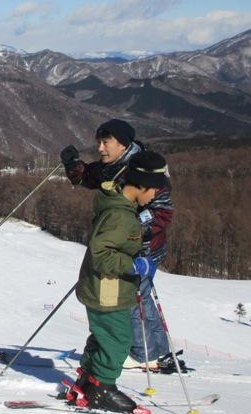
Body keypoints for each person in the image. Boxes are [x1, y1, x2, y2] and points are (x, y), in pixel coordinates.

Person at [60, 119, 176, 371]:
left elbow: (163, 213)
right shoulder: (110, 165)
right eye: (98, 142)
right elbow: (87, 176)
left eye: (106, 142)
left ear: (123, 144)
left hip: (141, 249)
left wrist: (129, 230)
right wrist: (72, 165)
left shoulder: (146, 168)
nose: (100, 148)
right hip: (126, 245)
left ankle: (142, 354)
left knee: (131, 299)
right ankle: (158, 351)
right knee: (142, 297)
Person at [64, 151, 169, 413]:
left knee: (103, 338)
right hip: (108, 290)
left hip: (104, 287)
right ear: (141, 185)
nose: (155, 196)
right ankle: (102, 388)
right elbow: (102, 253)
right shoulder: (120, 216)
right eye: (154, 190)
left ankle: (88, 382)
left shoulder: (120, 206)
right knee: (119, 340)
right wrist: (134, 265)